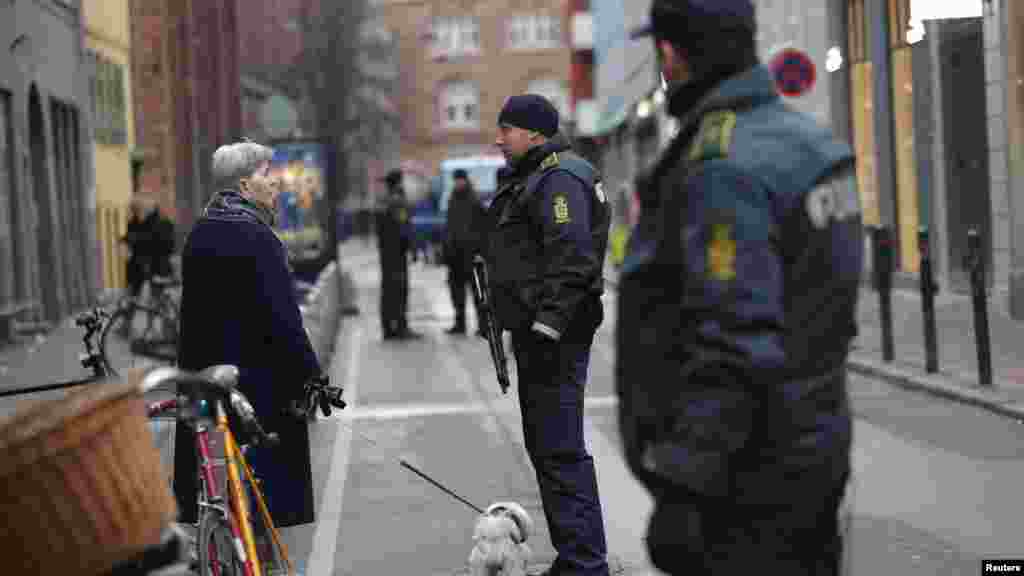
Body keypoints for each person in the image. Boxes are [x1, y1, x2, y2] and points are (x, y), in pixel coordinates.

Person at [616, 1, 862, 573]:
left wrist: (685, 488)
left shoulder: (722, 166)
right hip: (814, 450)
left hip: (747, 484)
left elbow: (733, 343)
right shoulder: (809, 144)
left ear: (674, 54)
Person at [485, 94, 612, 576]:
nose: (499, 140)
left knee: (559, 448)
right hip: (539, 336)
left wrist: (547, 325)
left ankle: (585, 562)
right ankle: (575, 555)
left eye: (508, 131)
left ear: (535, 133)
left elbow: (572, 260)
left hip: (554, 338)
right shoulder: (538, 175)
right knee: (546, 447)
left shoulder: (560, 178)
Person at [173, 140, 322, 528]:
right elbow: (284, 321)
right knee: (264, 509)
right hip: (260, 394)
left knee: (221, 497)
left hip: (207, 386)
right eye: (265, 173)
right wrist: (312, 377)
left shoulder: (200, 233)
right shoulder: (260, 237)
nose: (275, 182)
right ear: (243, 186)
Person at [376, 169, 421, 340]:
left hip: (385, 253)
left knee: (387, 290)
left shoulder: (383, 201)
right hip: (397, 253)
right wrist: (413, 249)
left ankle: (388, 328)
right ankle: (401, 327)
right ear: (399, 182)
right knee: (399, 290)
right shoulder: (398, 202)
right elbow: (404, 228)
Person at [443, 168, 487, 335]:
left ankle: (482, 326)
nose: (457, 183)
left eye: (459, 180)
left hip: (470, 254)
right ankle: (459, 324)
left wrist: (479, 250)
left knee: (477, 292)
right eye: (455, 180)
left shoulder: (474, 199)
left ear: (465, 180)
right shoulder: (452, 199)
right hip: (455, 255)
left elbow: (482, 227)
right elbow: (449, 226)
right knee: (456, 293)